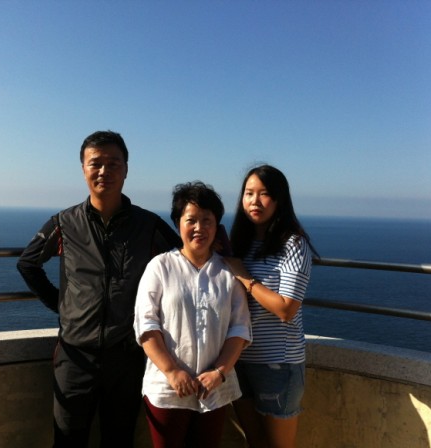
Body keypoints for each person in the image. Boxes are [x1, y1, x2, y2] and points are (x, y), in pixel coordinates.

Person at [17, 130, 181, 447]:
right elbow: (28, 264)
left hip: (127, 356)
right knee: (67, 440)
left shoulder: (148, 225)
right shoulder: (64, 223)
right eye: (96, 163)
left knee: (119, 440)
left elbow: (184, 263)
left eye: (113, 163)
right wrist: (61, 304)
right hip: (75, 357)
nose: (104, 171)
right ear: (83, 169)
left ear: (126, 169)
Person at [134, 181, 252, 448]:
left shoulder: (228, 272)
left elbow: (240, 328)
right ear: (178, 224)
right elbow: (146, 325)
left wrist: (219, 372)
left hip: (214, 389)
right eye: (191, 220)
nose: (200, 228)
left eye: (207, 220)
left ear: (217, 226)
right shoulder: (160, 267)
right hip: (167, 389)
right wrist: (172, 372)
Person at [224, 165, 317, 448]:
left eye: (264, 194)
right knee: (254, 441)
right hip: (239, 360)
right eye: (249, 193)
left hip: (277, 363)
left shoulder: (293, 244)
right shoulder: (240, 243)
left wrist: (245, 278)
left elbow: (286, 309)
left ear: (279, 200)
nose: (255, 201)